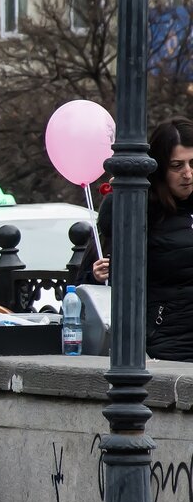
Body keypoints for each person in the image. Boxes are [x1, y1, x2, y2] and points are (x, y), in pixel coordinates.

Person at [82, 118, 193, 362]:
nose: (188, 174)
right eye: (177, 165)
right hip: (170, 346)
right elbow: (89, 278)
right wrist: (97, 275)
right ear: (159, 168)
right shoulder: (142, 209)